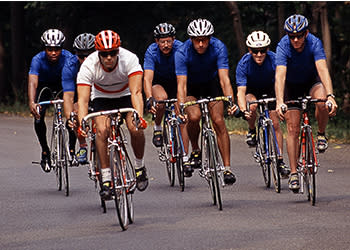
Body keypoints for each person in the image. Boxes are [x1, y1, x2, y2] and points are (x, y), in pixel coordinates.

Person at [77, 30, 148, 197]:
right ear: (98, 53)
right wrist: (83, 123)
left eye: (113, 53)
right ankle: (107, 179)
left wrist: (139, 116)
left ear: (118, 50)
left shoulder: (129, 59)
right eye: (104, 54)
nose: (109, 57)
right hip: (102, 97)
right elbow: (83, 101)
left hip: (125, 96)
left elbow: (137, 92)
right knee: (102, 131)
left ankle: (139, 167)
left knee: (135, 128)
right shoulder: (89, 65)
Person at [275, 14, 337, 191]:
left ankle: (321, 134)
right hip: (291, 86)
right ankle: (294, 173)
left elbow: (323, 69)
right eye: (291, 36)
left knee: (322, 101)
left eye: (299, 36)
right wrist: (279, 101)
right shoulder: (283, 45)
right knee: (293, 128)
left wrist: (331, 95)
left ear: (306, 33)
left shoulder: (314, 43)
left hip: (311, 81)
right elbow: (280, 75)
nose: (295, 40)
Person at [175, 18, 238, 184]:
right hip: (191, 88)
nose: (201, 44)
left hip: (211, 85)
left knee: (218, 121)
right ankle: (196, 149)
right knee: (194, 117)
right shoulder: (182, 52)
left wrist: (231, 102)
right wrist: (181, 108)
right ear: (191, 39)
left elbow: (224, 79)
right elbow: (181, 85)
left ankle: (227, 168)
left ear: (210, 38)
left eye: (205, 40)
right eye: (197, 40)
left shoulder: (219, 47)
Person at [236, 31, 290, 178]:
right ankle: (252, 129)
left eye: (262, 51)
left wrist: (281, 102)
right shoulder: (244, 63)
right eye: (255, 51)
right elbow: (241, 91)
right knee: (251, 106)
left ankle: (280, 161)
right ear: (249, 50)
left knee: (276, 124)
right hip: (252, 91)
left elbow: (282, 82)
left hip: (271, 90)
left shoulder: (274, 59)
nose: (259, 54)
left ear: (267, 49)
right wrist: (242, 109)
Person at [28, 29, 74, 173]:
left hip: (64, 85)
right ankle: (45, 152)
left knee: (73, 117)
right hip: (44, 87)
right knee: (38, 118)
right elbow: (32, 82)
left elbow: (76, 80)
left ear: (62, 48)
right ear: (44, 48)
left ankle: (72, 149)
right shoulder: (37, 59)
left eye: (57, 49)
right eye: (50, 49)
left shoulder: (69, 58)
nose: (53, 53)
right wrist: (31, 102)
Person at [143, 23, 183, 148]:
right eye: (162, 42)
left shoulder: (180, 48)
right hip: (159, 82)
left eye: (169, 41)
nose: (166, 45)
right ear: (156, 41)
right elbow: (147, 78)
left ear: (174, 40)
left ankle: (183, 151)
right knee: (161, 100)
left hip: (176, 82)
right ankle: (158, 127)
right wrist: (149, 98)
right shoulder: (151, 51)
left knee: (181, 110)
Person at [62, 33, 95, 165]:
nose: (86, 59)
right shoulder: (70, 66)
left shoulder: (103, 61)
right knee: (75, 112)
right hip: (79, 93)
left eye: (89, 55)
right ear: (76, 55)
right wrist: (70, 117)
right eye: (81, 56)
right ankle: (83, 146)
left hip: (99, 92)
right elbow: (68, 96)